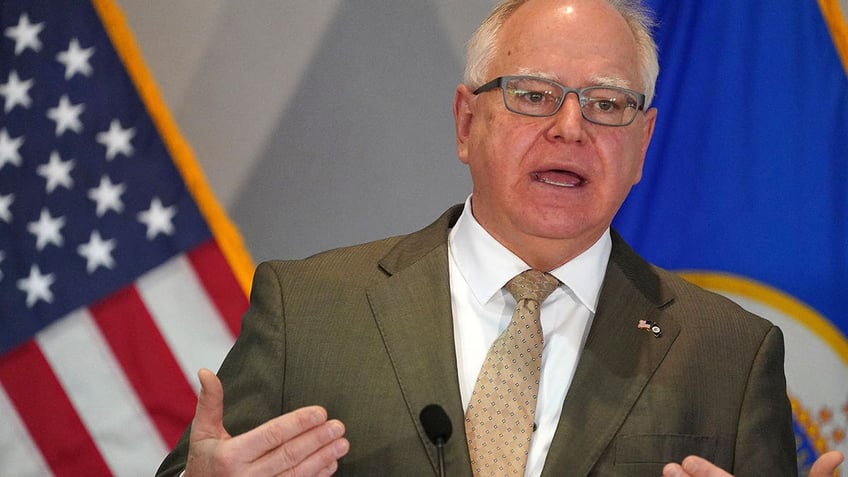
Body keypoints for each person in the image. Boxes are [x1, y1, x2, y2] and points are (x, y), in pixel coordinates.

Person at [157, 0, 834, 475]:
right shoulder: (309, 310)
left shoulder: (731, 354)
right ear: (464, 122)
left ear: (643, 144)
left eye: (606, 104)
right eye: (534, 94)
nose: (571, 128)